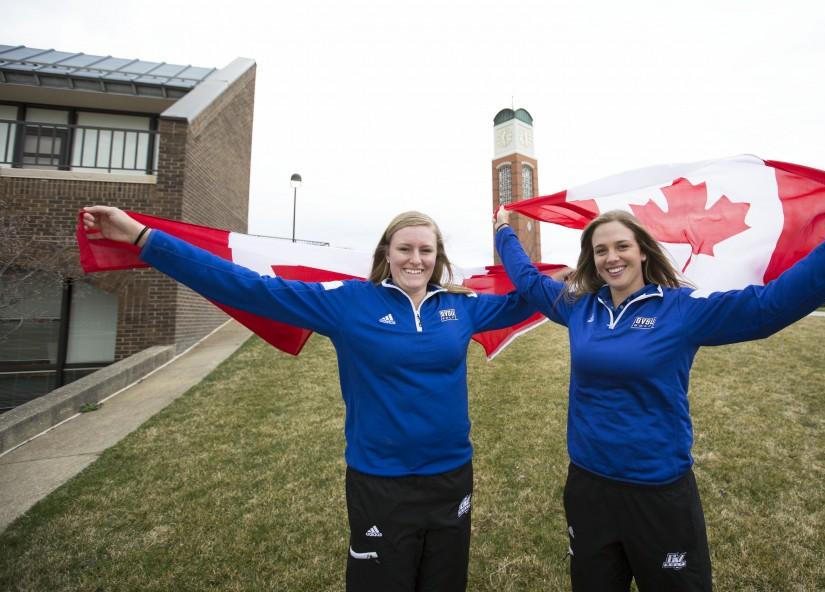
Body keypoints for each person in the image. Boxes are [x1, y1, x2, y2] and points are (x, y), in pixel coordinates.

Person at [81, 206, 539, 592]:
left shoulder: (461, 307)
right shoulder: (348, 303)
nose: (415, 259)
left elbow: (536, 294)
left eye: (425, 250)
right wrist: (144, 239)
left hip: (451, 477)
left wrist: (507, 236)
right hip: (381, 482)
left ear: (438, 257)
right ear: (386, 253)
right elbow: (245, 286)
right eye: (405, 248)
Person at [492, 190, 825, 592]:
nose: (611, 258)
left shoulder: (681, 310)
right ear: (592, 260)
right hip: (588, 485)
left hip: (657, 490)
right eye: (600, 251)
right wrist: (504, 233)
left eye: (621, 246)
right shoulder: (580, 307)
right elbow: (527, 281)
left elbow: (771, 306)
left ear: (643, 252)